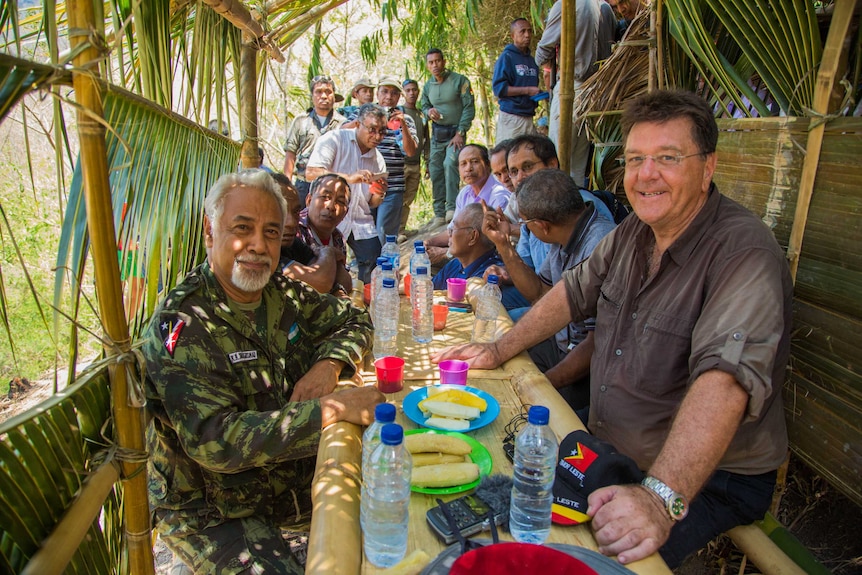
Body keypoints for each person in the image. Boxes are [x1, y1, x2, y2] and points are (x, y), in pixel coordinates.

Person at [433, 90, 792, 568]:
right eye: (636, 158)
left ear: (707, 167)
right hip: (613, 446)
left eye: (668, 158)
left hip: (708, 477)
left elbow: (723, 383)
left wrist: (659, 499)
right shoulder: (635, 232)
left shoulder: (743, 254)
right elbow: (569, 293)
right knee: (500, 491)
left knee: (586, 558)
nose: (646, 174)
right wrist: (498, 349)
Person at [143, 169, 383, 574]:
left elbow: (355, 321)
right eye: (243, 228)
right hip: (214, 510)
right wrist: (329, 410)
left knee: (399, 511)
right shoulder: (185, 323)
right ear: (209, 230)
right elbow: (215, 441)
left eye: (271, 232)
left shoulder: (280, 292)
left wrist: (329, 364)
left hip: (288, 479)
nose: (258, 245)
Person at [482, 169, 615, 409]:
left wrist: (543, 384)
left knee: (518, 403)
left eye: (524, 224)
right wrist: (503, 245)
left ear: (542, 226)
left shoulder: (600, 244)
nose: (522, 229)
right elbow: (539, 294)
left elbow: (596, 343)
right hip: (562, 344)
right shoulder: (567, 232)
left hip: (589, 369)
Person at [306, 103, 388, 284]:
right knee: (327, 267)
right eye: (372, 129)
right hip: (329, 217)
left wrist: (379, 193)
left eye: (382, 132)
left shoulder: (378, 160)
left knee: (374, 266)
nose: (377, 136)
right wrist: (348, 178)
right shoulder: (334, 140)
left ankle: (368, 305)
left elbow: (372, 203)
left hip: (360, 222)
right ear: (358, 125)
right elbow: (311, 172)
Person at [535, 0, 601, 187]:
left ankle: (560, 211)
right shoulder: (600, 6)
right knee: (577, 166)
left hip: (571, 88)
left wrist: (546, 63)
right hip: (594, 90)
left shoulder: (566, 5)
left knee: (558, 161)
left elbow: (542, 52)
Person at [345, 76, 418, 245]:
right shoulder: (363, 114)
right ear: (377, 93)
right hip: (364, 185)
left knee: (384, 236)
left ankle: (386, 269)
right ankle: (364, 267)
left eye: (394, 93)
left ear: (399, 97)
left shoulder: (405, 119)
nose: (389, 97)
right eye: (384, 92)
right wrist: (364, 122)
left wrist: (403, 125)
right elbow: (343, 132)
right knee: (363, 234)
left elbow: (410, 151)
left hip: (392, 185)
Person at [424, 144, 511, 265]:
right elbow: (453, 231)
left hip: (488, 261)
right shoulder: (464, 193)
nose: (468, 168)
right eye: (463, 164)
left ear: (487, 165)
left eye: (474, 162)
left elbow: (488, 243)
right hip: (464, 253)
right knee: (424, 258)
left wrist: (446, 253)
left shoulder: (499, 195)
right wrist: (429, 242)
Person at [431, 204, 529, 311]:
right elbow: (428, 293)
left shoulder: (490, 276)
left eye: (453, 229)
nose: (449, 235)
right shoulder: (455, 264)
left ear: (472, 236)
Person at [272, 173, 352, 296]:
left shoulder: (337, 237)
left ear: (346, 212)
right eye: (325, 197)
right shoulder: (295, 233)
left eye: (340, 201)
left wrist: (337, 289)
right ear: (309, 200)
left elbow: (345, 282)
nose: (331, 206)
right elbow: (321, 282)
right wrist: (328, 252)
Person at [421, 48, 476, 224]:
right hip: (437, 134)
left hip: (455, 133)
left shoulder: (459, 81)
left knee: (450, 163)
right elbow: (423, 105)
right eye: (431, 62)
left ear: (444, 62)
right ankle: (438, 211)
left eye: (438, 61)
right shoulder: (428, 85)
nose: (435, 65)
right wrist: (429, 111)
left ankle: (451, 208)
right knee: (436, 169)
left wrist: (461, 132)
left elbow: (469, 107)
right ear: (427, 65)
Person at [283, 75, 347, 204]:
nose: (324, 96)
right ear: (312, 96)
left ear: (334, 96)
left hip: (331, 183)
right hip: (304, 182)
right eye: (319, 92)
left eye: (328, 92)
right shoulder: (301, 121)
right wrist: (286, 186)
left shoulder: (343, 123)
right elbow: (290, 155)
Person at [492, 18, 541, 141]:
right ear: (513, 35)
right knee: (508, 155)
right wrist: (527, 90)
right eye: (522, 31)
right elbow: (499, 89)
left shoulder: (532, 60)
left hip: (528, 116)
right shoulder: (506, 57)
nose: (527, 35)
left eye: (529, 31)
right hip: (511, 117)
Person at [399, 79, 430, 240]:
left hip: (416, 164)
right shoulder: (399, 112)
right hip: (400, 163)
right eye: (408, 90)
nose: (412, 93)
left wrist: (427, 162)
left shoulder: (421, 115)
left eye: (414, 90)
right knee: (397, 197)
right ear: (403, 93)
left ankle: (401, 229)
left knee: (408, 198)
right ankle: (394, 232)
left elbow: (426, 140)